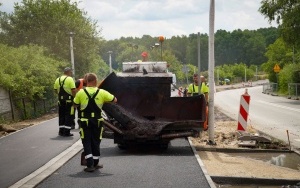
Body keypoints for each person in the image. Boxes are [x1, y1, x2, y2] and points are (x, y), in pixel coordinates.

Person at [73, 73, 117, 172]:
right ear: (95, 81)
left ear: (87, 81)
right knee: (96, 142)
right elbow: (115, 100)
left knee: (87, 142)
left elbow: (75, 105)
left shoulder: (81, 92)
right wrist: (103, 101)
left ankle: (90, 165)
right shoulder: (101, 92)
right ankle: (96, 163)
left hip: (85, 122)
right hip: (97, 122)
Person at [54, 67, 76, 136]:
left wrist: (60, 95)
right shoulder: (70, 79)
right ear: (69, 72)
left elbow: (55, 90)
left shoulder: (58, 79)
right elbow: (73, 90)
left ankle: (61, 131)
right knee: (68, 116)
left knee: (61, 115)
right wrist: (74, 98)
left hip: (60, 101)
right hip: (69, 101)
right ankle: (66, 132)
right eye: (71, 72)